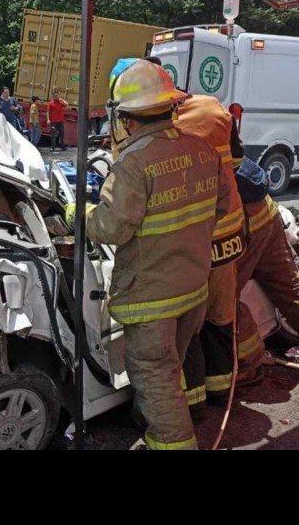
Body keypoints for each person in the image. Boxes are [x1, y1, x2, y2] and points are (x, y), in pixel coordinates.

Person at [84, 60, 230, 450]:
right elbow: (220, 206)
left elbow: (112, 228)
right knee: (171, 367)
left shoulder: (133, 163)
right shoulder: (202, 149)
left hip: (151, 300)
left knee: (154, 375)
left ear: (127, 119)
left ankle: (173, 443)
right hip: (193, 290)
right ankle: (149, 423)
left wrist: (78, 215)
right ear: (169, 106)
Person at [234, 162, 299, 381]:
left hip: (240, 219)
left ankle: (249, 364)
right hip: (265, 210)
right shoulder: (217, 143)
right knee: (289, 282)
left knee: (222, 298)